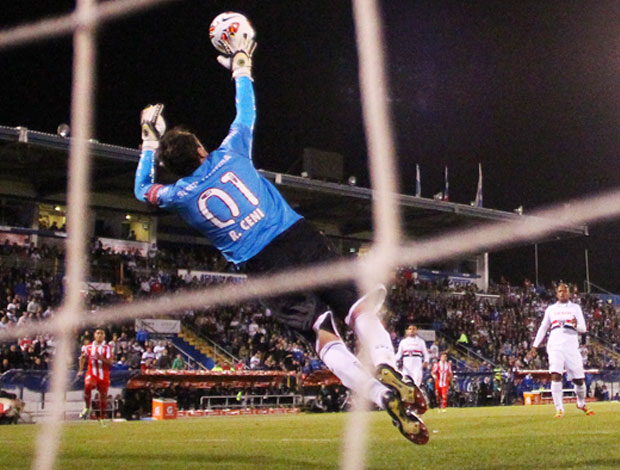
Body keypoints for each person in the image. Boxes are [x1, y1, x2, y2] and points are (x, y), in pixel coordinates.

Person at [133, 22, 428, 444]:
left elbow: (143, 190)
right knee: (357, 308)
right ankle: (385, 361)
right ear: (201, 149)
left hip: (262, 263)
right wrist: (241, 65)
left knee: (320, 334)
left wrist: (148, 143)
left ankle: (381, 396)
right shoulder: (231, 151)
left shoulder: (178, 195)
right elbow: (246, 111)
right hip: (296, 235)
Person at [527, 283, 594, 418]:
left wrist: (576, 325)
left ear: (569, 293)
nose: (562, 293)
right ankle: (559, 409)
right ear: (556, 293)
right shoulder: (551, 309)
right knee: (556, 374)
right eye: (559, 291)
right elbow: (543, 327)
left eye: (565, 291)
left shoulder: (575, 308)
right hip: (555, 345)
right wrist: (534, 346)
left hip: (571, 346)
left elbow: (583, 328)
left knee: (579, 380)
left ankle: (581, 403)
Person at [77, 328, 113, 424]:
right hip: (92, 373)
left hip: (104, 374)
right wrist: (80, 370)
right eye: (98, 333)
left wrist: (101, 358)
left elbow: (110, 362)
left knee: (103, 396)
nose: (100, 335)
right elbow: (82, 358)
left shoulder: (107, 348)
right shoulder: (87, 347)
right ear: (94, 335)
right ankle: (87, 407)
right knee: (88, 385)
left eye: (102, 333)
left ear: (104, 336)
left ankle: (101, 418)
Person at [395, 324, 429, 413]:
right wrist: (393, 361)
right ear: (407, 331)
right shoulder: (403, 342)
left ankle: (415, 407)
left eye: (413, 329)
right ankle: (406, 406)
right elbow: (399, 354)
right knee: (406, 386)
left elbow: (426, 354)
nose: (411, 330)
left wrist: (426, 361)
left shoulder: (421, 342)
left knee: (415, 387)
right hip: (406, 368)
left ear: (416, 330)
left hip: (417, 368)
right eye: (410, 329)